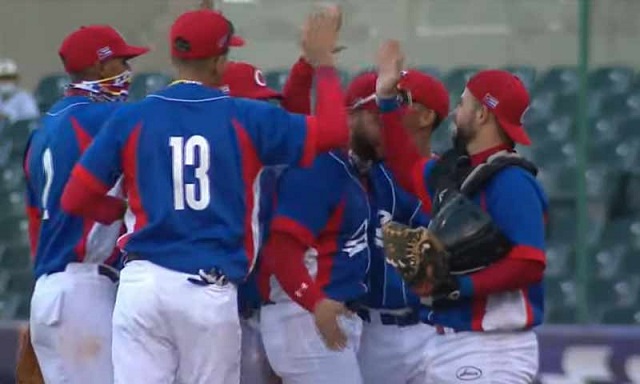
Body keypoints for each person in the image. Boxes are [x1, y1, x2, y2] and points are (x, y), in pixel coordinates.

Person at [61, 8, 348, 384]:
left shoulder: (131, 118)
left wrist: (124, 208)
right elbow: (333, 131)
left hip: (141, 286)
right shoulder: (245, 116)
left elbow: (74, 200)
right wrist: (322, 62)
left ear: (174, 56)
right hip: (205, 290)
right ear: (219, 61)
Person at [375, 40, 547, 383]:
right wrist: (386, 101)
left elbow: (529, 262)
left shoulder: (512, 181)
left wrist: (457, 287)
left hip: (494, 346)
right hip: (451, 342)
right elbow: (407, 164)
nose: (456, 112)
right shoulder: (459, 171)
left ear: (483, 113)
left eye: (464, 103)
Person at [23, 25, 148, 384]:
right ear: (101, 67)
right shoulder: (101, 117)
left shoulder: (43, 127)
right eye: (123, 60)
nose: (129, 69)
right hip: (82, 289)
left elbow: (35, 223)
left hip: (50, 290)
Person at [346, 70, 450, 384]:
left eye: (401, 99)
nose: (388, 106)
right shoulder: (361, 171)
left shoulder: (447, 177)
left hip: (433, 328)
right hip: (373, 331)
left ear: (427, 116)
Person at [0, 58, 39, 123]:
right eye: (2, 79)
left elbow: (31, 120)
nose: (6, 82)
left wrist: (8, 117)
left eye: (9, 78)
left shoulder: (25, 97)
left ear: (16, 80)